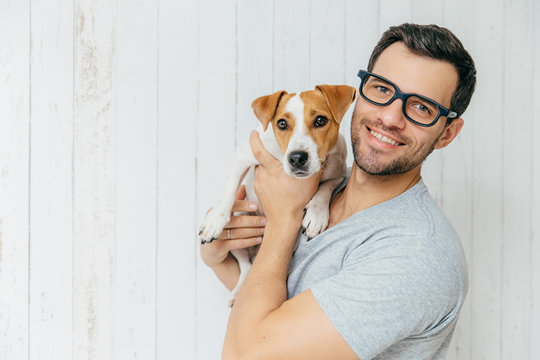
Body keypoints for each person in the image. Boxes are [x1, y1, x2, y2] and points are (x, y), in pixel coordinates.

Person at [200, 23, 477, 360]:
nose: (390, 117)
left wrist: (283, 219)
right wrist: (219, 262)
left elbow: (246, 354)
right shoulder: (321, 186)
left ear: (447, 134)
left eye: (422, 107)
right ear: (360, 91)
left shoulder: (416, 256)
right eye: (382, 89)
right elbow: (272, 317)